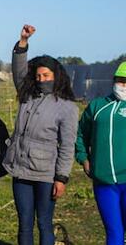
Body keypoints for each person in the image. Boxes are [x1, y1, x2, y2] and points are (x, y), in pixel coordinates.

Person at [2, 25, 79, 245]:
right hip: (20, 170)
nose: (41, 79)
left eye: (46, 75)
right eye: (38, 75)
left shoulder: (67, 107)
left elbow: (66, 146)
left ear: (56, 76)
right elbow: (19, 72)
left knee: (44, 222)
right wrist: (23, 43)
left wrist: (61, 178)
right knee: (24, 223)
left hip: (45, 174)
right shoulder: (28, 96)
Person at [75, 61, 126, 245]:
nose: (124, 85)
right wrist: (83, 158)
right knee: (114, 233)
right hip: (104, 183)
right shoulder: (97, 107)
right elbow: (80, 134)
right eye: (121, 80)